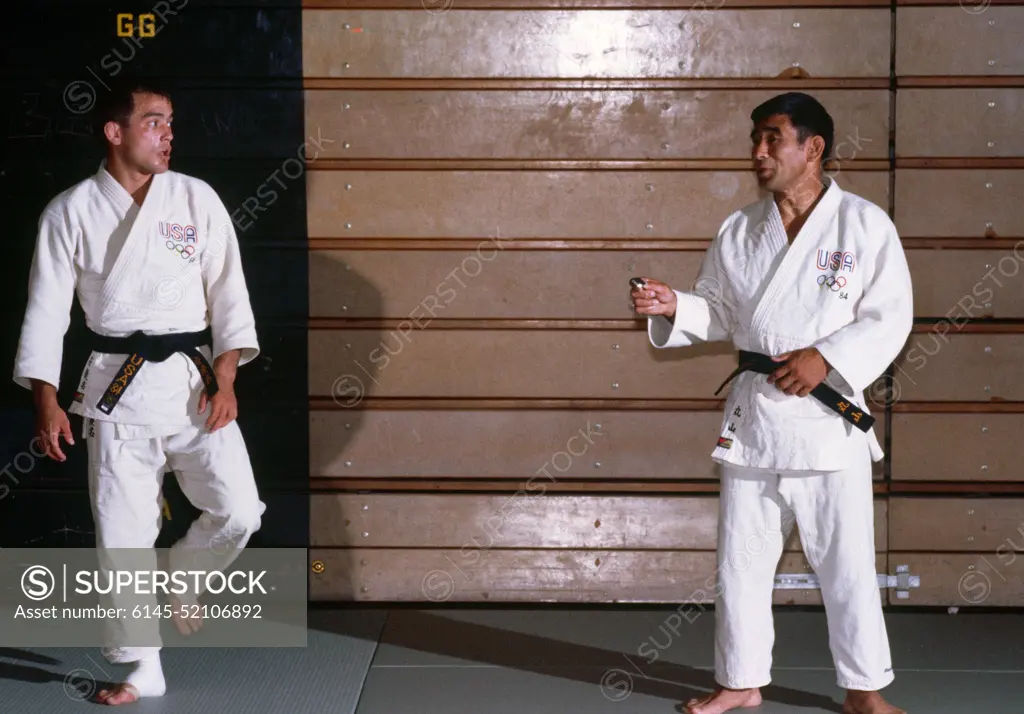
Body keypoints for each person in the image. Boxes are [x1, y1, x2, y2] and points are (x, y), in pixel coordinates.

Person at [630, 92, 911, 714]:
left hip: (826, 418)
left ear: (813, 148)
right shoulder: (739, 229)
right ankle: (740, 679)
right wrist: (675, 304)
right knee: (741, 561)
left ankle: (865, 690)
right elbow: (721, 312)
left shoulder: (864, 225)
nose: (758, 152)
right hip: (756, 417)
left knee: (846, 565)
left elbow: (890, 316)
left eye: (772, 138)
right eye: (755, 139)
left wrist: (827, 358)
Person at [13, 77, 266, 705]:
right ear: (114, 131)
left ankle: (184, 577)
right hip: (113, 390)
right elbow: (46, 313)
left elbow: (229, 292)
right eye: (154, 122)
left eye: (171, 123)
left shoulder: (195, 198)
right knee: (123, 535)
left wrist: (228, 376)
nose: (168, 134)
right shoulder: (69, 212)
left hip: (193, 382)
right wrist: (46, 400)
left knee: (239, 509)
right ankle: (142, 667)